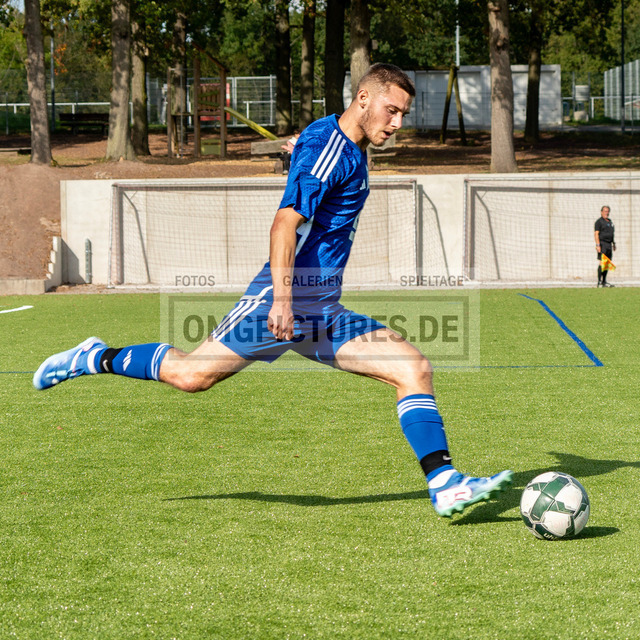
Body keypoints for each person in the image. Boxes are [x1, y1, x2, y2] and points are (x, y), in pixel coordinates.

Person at [33, 63, 512, 518]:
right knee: (191, 376)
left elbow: (316, 162)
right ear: (364, 98)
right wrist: (282, 301)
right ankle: (94, 357)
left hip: (321, 310)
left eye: (403, 114)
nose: (398, 123)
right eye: (392, 110)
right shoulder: (331, 146)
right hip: (283, 301)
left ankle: (445, 483)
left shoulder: (341, 143)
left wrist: (297, 154)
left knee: (413, 367)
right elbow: (285, 223)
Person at [595, 205, 616, 287]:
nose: (606, 213)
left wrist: (613, 243)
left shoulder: (610, 222)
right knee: (602, 262)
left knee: (607, 263)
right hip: (602, 244)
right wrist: (598, 245)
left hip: (609, 244)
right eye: (605, 211)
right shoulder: (599, 222)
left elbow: (612, 234)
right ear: (601, 212)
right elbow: (596, 234)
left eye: (607, 211)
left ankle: (604, 281)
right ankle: (599, 282)